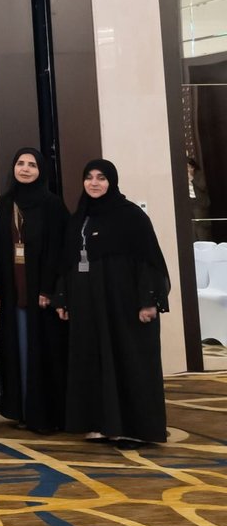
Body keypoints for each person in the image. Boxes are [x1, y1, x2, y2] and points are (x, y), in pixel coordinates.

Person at [55, 159, 170, 444]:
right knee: (94, 361)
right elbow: (67, 264)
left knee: (128, 360)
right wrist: (63, 299)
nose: (94, 183)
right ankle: (100, 423)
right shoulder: (79, 217)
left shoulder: (131, 216)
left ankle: (136, 427)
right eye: (89, 177)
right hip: (88, 305)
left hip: (124, 305)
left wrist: (148, 301)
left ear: (112, 182)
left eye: (101, 178)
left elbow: (149, 262)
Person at [0, 147, 69, 433]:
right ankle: (22, 410)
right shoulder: (5, 203)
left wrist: (48, 289)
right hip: (14, 291)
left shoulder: (52, 205)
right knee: (19, 351)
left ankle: (46, 414)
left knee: (43, 352)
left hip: (42, 293)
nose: (25, 169)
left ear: (41, 171)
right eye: (20, 163)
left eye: (32, 165)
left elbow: (60, 251)